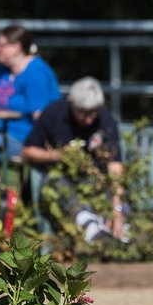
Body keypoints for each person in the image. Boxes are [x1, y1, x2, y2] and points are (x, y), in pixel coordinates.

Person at [21, 77, 127, 242]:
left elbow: (115, 166)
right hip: (60, 180)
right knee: (55, 182)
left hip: (94, 182)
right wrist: (57, 155)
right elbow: (27, 152)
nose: (89, 119)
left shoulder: (106, 119)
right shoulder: (54, 112)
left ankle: (112, 233)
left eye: (93, 112)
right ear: (70, 103)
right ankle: (89, 223)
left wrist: (117, 208)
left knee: (120, 205)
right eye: (83, 113)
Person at [0, 24, 60, 172]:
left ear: (16, 47)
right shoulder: (3, 70)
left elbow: (41, 119)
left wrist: (37, 152)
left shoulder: (35, 73)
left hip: (22, 137)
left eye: (1, 45)